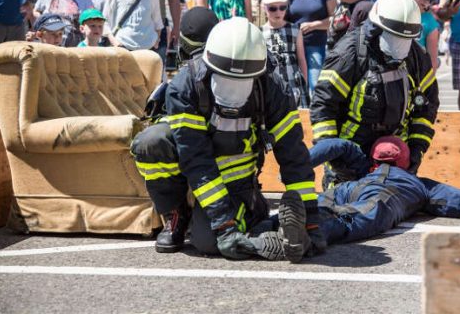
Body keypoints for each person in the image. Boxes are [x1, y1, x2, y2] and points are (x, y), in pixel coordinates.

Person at [132, 17, 322, 261]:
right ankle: (176, 216)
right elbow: (196, 159)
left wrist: (312, 221)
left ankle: (265, 221)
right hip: (203, 175)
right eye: (226, 80)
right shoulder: (185, 86)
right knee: (150, 142)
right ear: (209, 64)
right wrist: (224, 225)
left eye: (242, 82)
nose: (233, 90)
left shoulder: (272, 87)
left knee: (207, 243)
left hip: (238, 180)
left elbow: (293, 155)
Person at [310, 0, 439, 185]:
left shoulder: (416, 57)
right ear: (378, 27)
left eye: (405, 40)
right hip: (349, 160)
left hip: (394, 159)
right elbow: (324, 107)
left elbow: (426, 108)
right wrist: (336, 159)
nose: (400, 47)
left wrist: (415, 150)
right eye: (394, 37)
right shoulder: (349, 53)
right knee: (343, 211)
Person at [311, 137, 460, 246]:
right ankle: (316, 232)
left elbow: (337, 145)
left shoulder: (365, 167)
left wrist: (300, 165)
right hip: (387, 195)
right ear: (406, 161)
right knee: (363, 215)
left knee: (318, 201)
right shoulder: (418, 184)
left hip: (351, 187)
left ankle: (283, 221)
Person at [286, 0, 337, 93]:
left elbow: (336, 19)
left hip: (317, 46)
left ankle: (315, 115)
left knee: (315, 86)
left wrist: (315, 25)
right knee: (295, 87)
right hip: (293, 48)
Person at [261, 0, 309, 108]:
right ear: (263, 7)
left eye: (282, 7)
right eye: (272, 8)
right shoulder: (260, 33)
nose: (278, 11)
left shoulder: (294, 29)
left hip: (294, 83)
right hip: (272, 86)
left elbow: (301, 58)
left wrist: (305, 82)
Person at [398, 0, 442, 70]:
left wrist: (423, 85)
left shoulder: (429, 22)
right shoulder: (396, 6)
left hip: (413, 77)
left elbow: (432, 65)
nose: (427, 3)